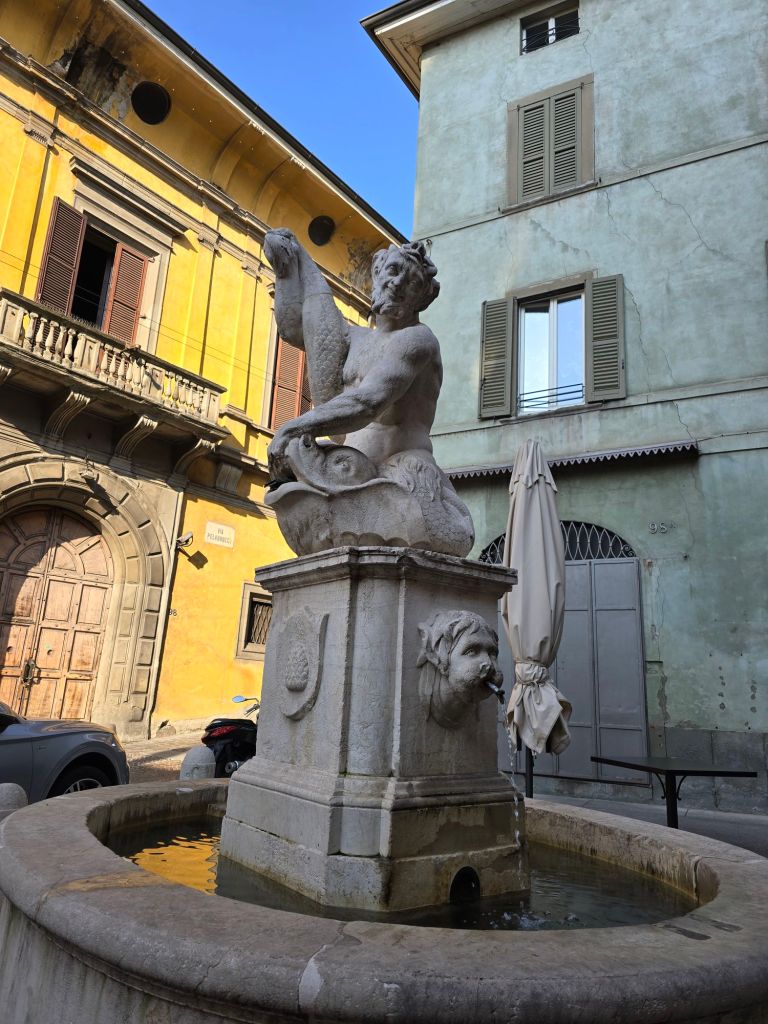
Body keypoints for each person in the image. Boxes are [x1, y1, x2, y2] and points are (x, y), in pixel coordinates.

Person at [263, 229, 473, 557]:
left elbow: (368, 402)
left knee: (398, 519)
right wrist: (286, 269)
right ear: (376, 277)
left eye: (411, 282)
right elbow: (294, 328)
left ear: (420, 296)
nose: (397, 283)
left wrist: (295, 426)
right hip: (350, 467)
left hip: (402, 469)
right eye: (391, 271)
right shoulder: (354, 339)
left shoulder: (417, 341)